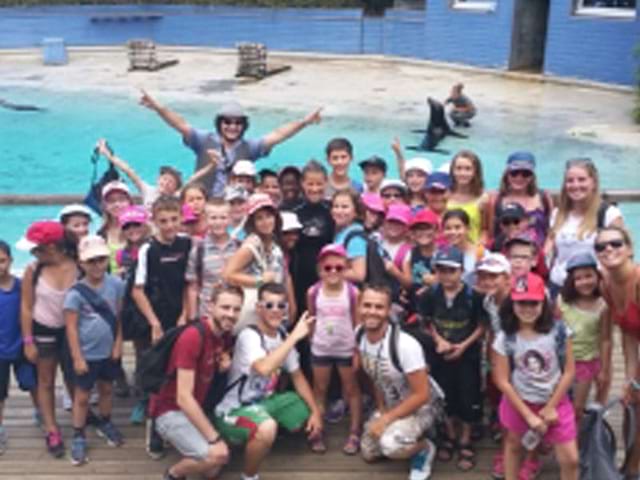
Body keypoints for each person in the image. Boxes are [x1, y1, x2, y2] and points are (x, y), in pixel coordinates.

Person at [213, 283, 324, 480]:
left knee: (306, 409)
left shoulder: (282, 335)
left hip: (263, 402)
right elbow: (264, 368)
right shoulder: (250, 336)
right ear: (258, 308)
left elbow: (297, 376)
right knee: (266, 428)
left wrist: (315, 412)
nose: (275, 311)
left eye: (281, 306)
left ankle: (258, 437)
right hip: (234, 408)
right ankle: (249, 475)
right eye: (269, 305)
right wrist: (295, 337)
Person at [139, 90, 322, 196]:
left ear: (243, 125)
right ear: (220, 123)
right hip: (202, 202)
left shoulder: (249, 147)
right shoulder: (205, 140)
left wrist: (304, 122)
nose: (232, 127)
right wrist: (158, 108)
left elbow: (278, 134)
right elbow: (180, 124)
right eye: (227, 122)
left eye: (237, 123)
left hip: (234, 205)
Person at [150, 284, 243, 480]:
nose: (231, 314)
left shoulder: (222, 336)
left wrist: (223, 361)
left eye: (236, 309)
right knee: (218, 455)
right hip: (170, 409)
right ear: (210, 307)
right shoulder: (193, 337)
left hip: (195, 406)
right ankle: (173, 474)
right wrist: (214, 438)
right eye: (225, 307)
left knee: (213, 469)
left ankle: (192, 449)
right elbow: (183, 398)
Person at [492, 273, 578, 480]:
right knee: (513, 445)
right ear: (512, 303)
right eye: (521, 303)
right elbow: (501, 379)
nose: (528, 309)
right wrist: (528, 414)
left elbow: (569, 371)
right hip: (519, 401)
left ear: (544, 303)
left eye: (533, 303)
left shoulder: (558, 332)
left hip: (555, 401)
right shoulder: (505, 337)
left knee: (570, 459)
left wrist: (550, 406)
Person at [357, 284, 437, 480]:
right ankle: (405, 433)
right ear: (358, 307)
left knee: (391, 446)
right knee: (369, 452)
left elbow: (422, 395)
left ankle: (424, 448)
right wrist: (381, 408)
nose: (372, 312)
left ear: (388, 310)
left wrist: (386, 419)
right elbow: (374, 375)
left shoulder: (404, 345)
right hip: (392, 404)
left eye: (379, 307)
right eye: (367, 305)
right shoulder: (359, 334)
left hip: (422, 407)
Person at [419, 246, 487, 472]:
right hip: (441, 354)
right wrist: (439, 341)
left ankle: (465, 438)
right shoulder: (430, 294)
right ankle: (449, 434)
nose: (447, 275)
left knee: (469, 394)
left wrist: (463, 346)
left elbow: (481, 326)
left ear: (461, 271)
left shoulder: (474, 296)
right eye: (442, 270)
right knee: (444, 394)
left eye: (452, 270)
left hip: (468, 354)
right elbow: (427, 321)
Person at [17, 221, 79, 458]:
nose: (33, 254)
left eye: (37, 249)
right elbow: (26, 306)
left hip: (72, 329)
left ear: (52, 248)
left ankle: (79, 421)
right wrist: (28, 340)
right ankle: (51, 428)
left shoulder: (78, 265)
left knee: (74, 377)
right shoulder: (33, 270)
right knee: (45, 381)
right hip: (44, 328)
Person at [64, 236, 125, 465]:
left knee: (107, 388)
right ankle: (78, 434)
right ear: (81, 263)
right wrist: (77, 357)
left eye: (101, 260)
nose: (97, 265)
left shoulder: (116, 284)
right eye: (91, 261)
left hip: (108, 351)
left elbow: (118, 317)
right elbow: (71, 328)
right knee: (82, 397)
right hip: (87, 353)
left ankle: (106, 421)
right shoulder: (75, 293)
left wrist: (118, 343)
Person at [306, 244, 361, 454]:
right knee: (320, 390)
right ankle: (317, 428)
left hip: (346, 348)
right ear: (321, 268)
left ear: (346, 267)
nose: (333, 272)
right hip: (321, 347)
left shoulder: (353, 292)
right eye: (328, 267)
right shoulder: (313, 291)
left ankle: (355, 430)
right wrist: (313, 341)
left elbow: (357, 321)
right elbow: (311, 318)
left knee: (352, 390)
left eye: (339, 267)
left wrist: (357, 350)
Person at [594, 226, 640, 478]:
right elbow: (629, 334)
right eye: (601, 246)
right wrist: (630, 379)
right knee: (631, 403)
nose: (608, 249)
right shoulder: (607, 285)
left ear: (630, 249)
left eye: (615, 243)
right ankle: (631, 469)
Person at [546, 158, 623, 297]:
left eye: (582, 179)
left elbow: (623, 254)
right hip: (559, 286)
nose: (575, 185)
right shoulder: (557, 214)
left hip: (594, 290)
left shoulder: (609, 214)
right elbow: (550, 251)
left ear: (593, 182)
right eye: (570, 180)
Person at [223, 193, 296, 332]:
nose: (265, 222)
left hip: (275, 307)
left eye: (268, 216)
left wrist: (291, 305)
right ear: (252, 222)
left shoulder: (274, 240)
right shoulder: (251, 245)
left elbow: (285, 274)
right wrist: (259, 281)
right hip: (256, 313)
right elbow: (228, 275)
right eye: (259, 218)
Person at [95, 138, 218, 210]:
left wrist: (211, 165)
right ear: (158, 179)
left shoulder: (176, 197)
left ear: (175, 188)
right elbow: (128, 171)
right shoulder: (147, 190)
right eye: (164, 179)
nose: (166, 183)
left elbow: (193, 178)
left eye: (171, 182)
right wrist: (108, 155)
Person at [557, 252, 608, 423]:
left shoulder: (602, 306)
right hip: (561, 361)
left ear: (597, 276)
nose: (584, 282)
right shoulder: (562, 301)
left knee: (577, 407)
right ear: (571, 281)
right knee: (557, 400)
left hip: (585, 361)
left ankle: (575, 441)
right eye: (578, 278)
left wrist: (604, 368)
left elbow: (605, 339)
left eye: (589, 276)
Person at [0, 240, 38, 455]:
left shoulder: (20, 286)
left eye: (2, 261)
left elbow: (30, 312)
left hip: (22, 346)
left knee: (32, 384)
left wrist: (30, 341)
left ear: (11, 261)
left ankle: (41, 414)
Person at [291, 160, 335, 314]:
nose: (315, 189)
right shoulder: (294, 211)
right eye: (310, 184)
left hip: (329, 276)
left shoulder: (332, 210)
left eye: (319, 184)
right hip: (299, 278)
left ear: (326, 182)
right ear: (302, 183)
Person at [186, 198, 239, 321]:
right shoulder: (198, 250)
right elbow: (193, 286)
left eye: (223, 218)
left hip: (234, 313)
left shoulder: (239, 248)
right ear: (205, 219)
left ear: (230, 219)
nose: (218, 222)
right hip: (207, 314)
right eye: (213, 218)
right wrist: (193, 317)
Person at [486, 152, 553, 250]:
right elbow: (491, 232)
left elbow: (550, 231)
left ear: (532, 176)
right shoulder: (496, 199)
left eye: (525, 174)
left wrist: (543, 255)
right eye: (514, 173)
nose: (519, 178)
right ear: (507, 174)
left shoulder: (544, 197)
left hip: (538, 254)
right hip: (505, 254)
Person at [447, 150, 488, 244]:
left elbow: (485, 230)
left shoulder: (483, 199)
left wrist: (480, 246)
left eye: (468, 169)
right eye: (458, 168)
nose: (462, 173)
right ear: (452, 171)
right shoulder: (446, 195)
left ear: (475, 172)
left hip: (472, 248)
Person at [98, 180, 133, 273]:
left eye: (122, 199)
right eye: (111, 201)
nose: (117, 204)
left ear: (129, 202)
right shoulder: (101, 233)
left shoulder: (140, 230)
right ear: (105, 205)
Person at [441, 209, 483, 283]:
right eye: (448, 228)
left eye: (458, 227)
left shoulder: (480, 253)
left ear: (468, 229)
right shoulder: (441, 253)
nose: (453, 232)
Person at [114, 205, 150, 278]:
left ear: (146, 226)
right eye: (126, 227)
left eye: (136, 225)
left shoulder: (153, 247)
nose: (132, 229)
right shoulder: (121, 254)